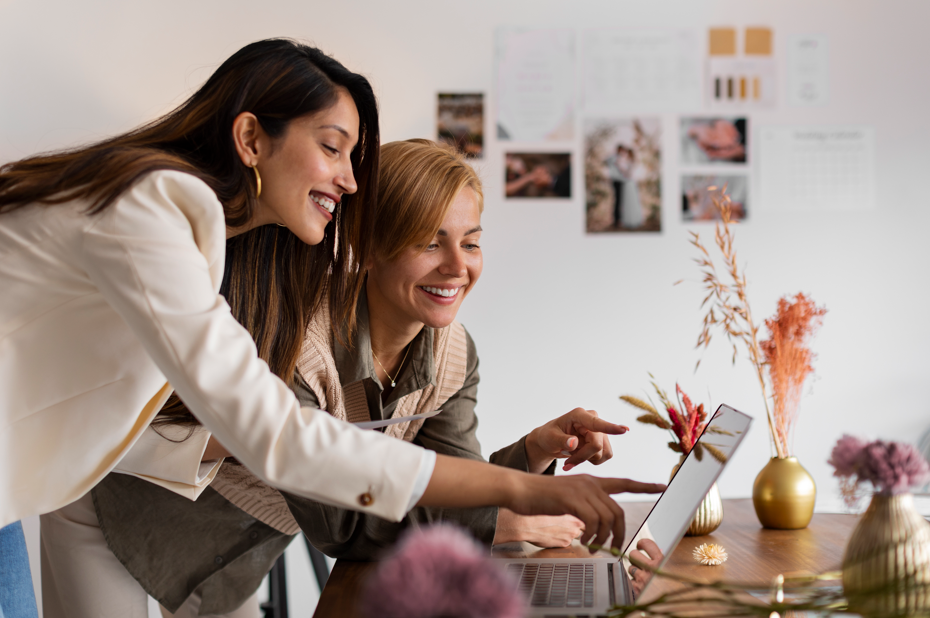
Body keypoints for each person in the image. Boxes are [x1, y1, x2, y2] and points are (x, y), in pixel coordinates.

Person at [0, 39, 662, 610]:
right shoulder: (157, 215)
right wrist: (517, 498)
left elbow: (419, 472)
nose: (350, 181)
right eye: (333, 148)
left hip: (201, 542)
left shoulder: (223, 249)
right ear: (252, 139)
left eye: (472, 240)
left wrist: (528, 470)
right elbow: (289, 447)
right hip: (119, 512)